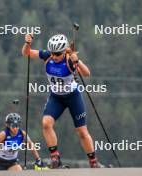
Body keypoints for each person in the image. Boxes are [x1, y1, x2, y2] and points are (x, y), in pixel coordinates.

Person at [22, 33, 101, 168]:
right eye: (53, 53)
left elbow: (87, 73)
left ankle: (93, 162)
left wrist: (78, 61)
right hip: (56, 97)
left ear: (64, 51)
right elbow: (26, 53)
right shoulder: (48, 56)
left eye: (57, 54)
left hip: (73, 97)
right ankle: (55, 158)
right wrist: (27, 43)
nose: (54, 56)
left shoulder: (70, 60)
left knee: (82, 131)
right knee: (46, 123)